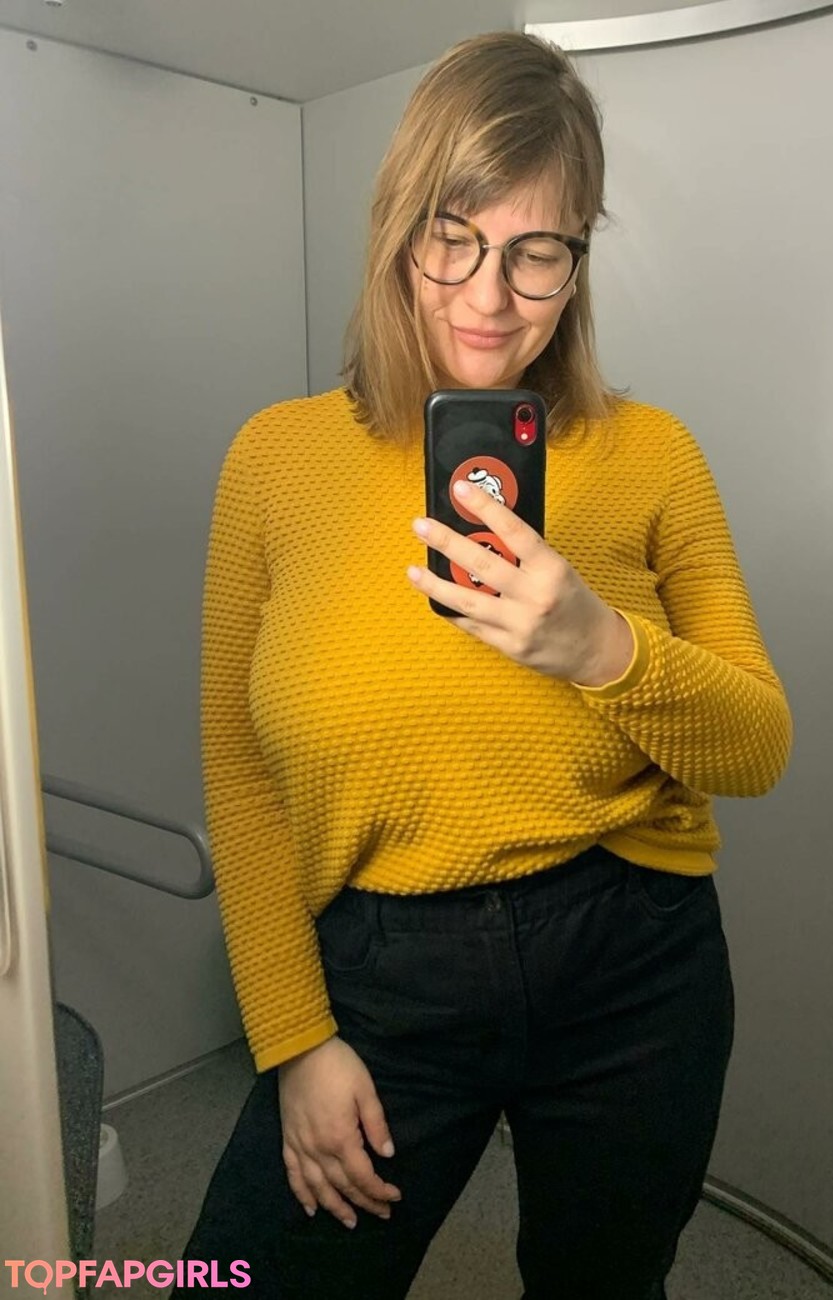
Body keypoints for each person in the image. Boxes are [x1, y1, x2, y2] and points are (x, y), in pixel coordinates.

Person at [176, 29, 792, 1300]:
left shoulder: (654, 455)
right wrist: (293, 1037)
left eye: (536, 251)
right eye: (453, 236)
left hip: (633, 961)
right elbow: (240, 772)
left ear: (578, 260)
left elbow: (759, 746)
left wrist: (601, 648)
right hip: (381, 971)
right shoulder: (275, 461)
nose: (489, 295)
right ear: (399, 231)